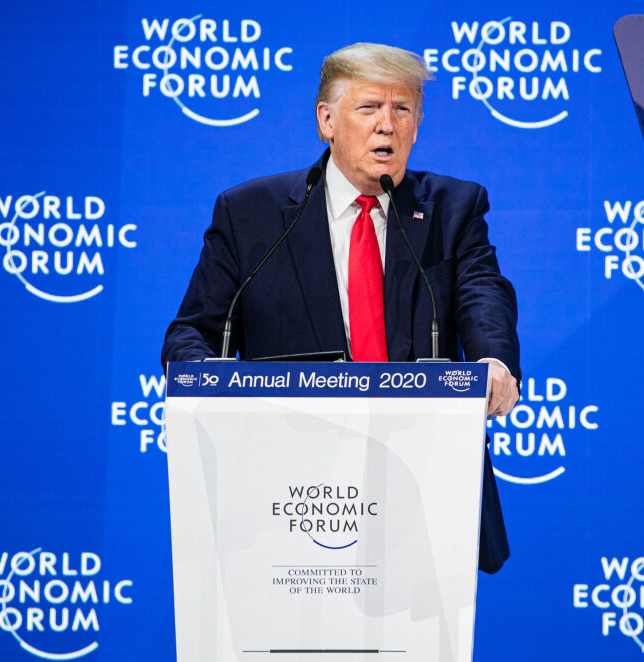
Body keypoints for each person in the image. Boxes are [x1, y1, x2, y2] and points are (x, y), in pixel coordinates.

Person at [162, 42, 520, 573]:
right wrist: (208, 387)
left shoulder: (453, 208)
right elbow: (193, 332)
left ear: (418, 125)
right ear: (327, 120)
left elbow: (481, 292)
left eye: (403, 109)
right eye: (369, 107)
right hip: (282, 488)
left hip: (423, 482)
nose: (387, 125)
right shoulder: (251, 214)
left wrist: (494, 359)